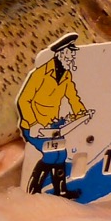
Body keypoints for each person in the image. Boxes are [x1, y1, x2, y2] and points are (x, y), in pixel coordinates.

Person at [17, 33, 89, 197]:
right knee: (51, 155)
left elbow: (73, 97)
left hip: (52, 126)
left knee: (61, 154)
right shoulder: (40, 74)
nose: (73, 58)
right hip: (33, 127)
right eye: (71, 54)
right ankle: (33, 191)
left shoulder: (66, 75)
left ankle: (61, 191)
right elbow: (24, 100)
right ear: (62, 54)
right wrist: (33, 123)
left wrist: (82, 113)